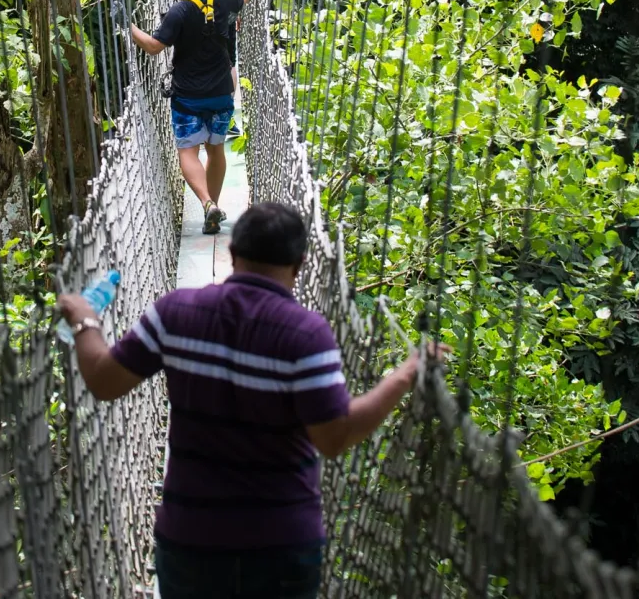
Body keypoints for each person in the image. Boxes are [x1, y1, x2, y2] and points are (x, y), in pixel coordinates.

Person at [57, 201, 438, 599]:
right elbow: (334, 438)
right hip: (281, 547)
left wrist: (86, 319)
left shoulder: (175, 314)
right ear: (300, 264)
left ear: (232, 254)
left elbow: (102, 381)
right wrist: (404, 375)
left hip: (191, 542)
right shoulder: (307, 336)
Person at [123, 0, 264, 231]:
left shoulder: (178, 12)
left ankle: (206, 203)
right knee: (216, 150)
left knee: (188, 152)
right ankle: (211, 211)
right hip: (222, 92)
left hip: (187, 97)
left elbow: (153, 47)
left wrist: (128, 26)